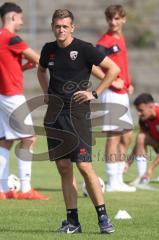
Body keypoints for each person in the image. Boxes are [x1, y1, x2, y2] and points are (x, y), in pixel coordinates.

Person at [37, 9, 120, 234]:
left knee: (84, 166)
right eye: (57, 26)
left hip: (77, 115)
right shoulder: (48, 50)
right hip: (54, 116)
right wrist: (46, 94)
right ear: (52, 26)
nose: (61, 30)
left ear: (72, 27)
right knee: (64, 168)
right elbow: (41, 70)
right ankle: (73, 222)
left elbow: (113, 69)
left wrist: (95, 93)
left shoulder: (84, 49)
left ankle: (103, 217)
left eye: (65, 26)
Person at [0, 2, 48, 200]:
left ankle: (3, 190)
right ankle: (26, 188)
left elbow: (8, 68)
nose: (22, 21)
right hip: (12, 94)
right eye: (20, 18)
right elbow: (39, 59)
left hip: (2, 94)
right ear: (12, 17)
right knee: (29, 138)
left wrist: (25, 67)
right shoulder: (11, 38)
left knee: (5, 141)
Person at [96, 4, 136, 192]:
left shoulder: (121, 38)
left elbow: (121, 65)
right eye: (110, 19)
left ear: (123, 19)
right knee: (113, 137)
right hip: (111, 94)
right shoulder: (104, 42)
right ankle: (112, 181)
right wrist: (111, 81)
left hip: (122, 94)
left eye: (117, 18)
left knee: (126, 136)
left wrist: (127, 83)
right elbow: (92, 64)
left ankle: (118, 178)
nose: (113, 22)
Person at [125, 93, 159, 185]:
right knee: (141, 137)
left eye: (141, 110)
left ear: (151, 106)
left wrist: (150, 169)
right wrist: (128, 163)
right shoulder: (143, 119)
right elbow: (139, 143)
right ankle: (142, 176)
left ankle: (146, 173)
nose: (138, 113)